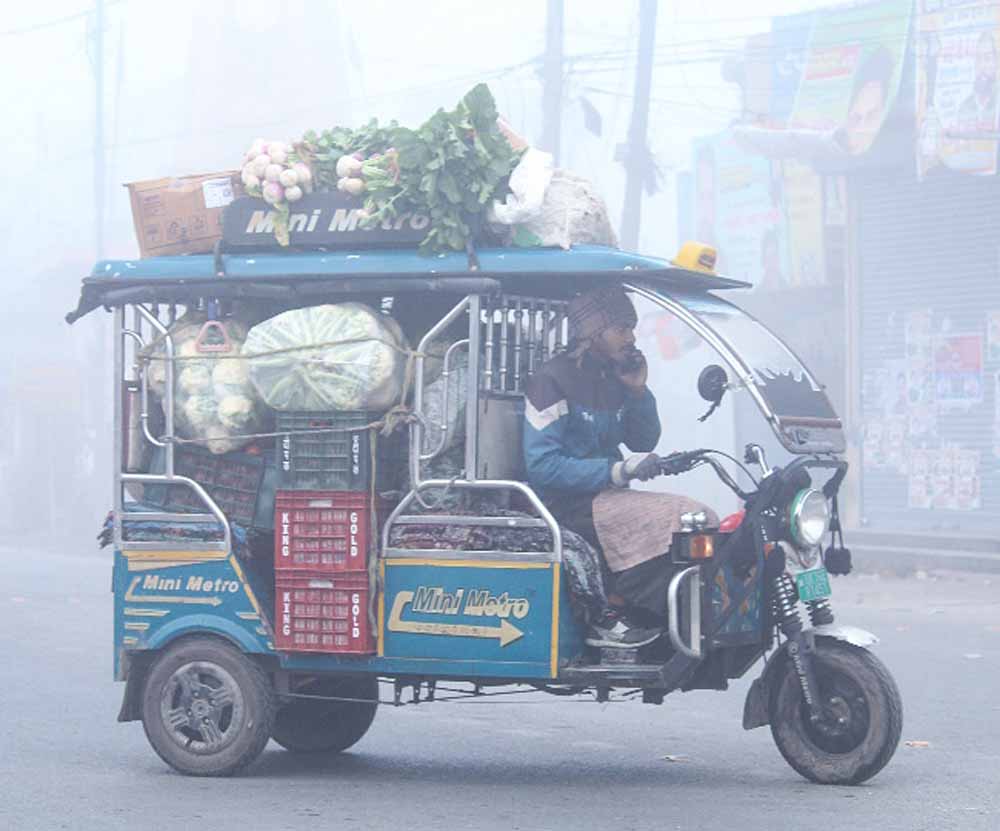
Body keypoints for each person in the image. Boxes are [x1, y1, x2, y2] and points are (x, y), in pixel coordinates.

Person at [523, 285, 718, 642]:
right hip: (566, 504)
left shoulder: (613, 377)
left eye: (631, 328)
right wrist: (617, 470)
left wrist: (638, 391)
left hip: (606, 498)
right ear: (593, 332)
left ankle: (668, 620)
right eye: (621, 328)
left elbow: (643, 440)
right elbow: (542, 466)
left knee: (697, 519)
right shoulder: (551, 380)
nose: (630, 337)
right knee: (681, 516)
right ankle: (623, 602)